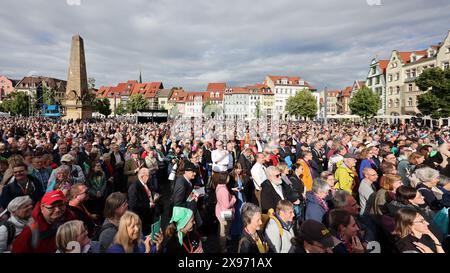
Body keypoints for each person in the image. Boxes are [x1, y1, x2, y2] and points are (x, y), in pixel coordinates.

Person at [129, 168, 159, 235]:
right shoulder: (134, 187)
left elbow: (150, 191)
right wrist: (148, 205)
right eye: (149, 175)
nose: (150, 177)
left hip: (149, 215)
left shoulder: (146, 183)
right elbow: (133, 205)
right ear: (142, 176)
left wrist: (154, 195)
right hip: (142, 218)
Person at [214, 172, 236, 253]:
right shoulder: (224, 190)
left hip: (220, 211)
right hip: (225, 213)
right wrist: (233, 199)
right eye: (228, 177)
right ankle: (223, 248)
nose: (229, 179)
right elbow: (227, 205)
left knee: (221, 230)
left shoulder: (219, 186)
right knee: (224, 232)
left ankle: (221, 244)